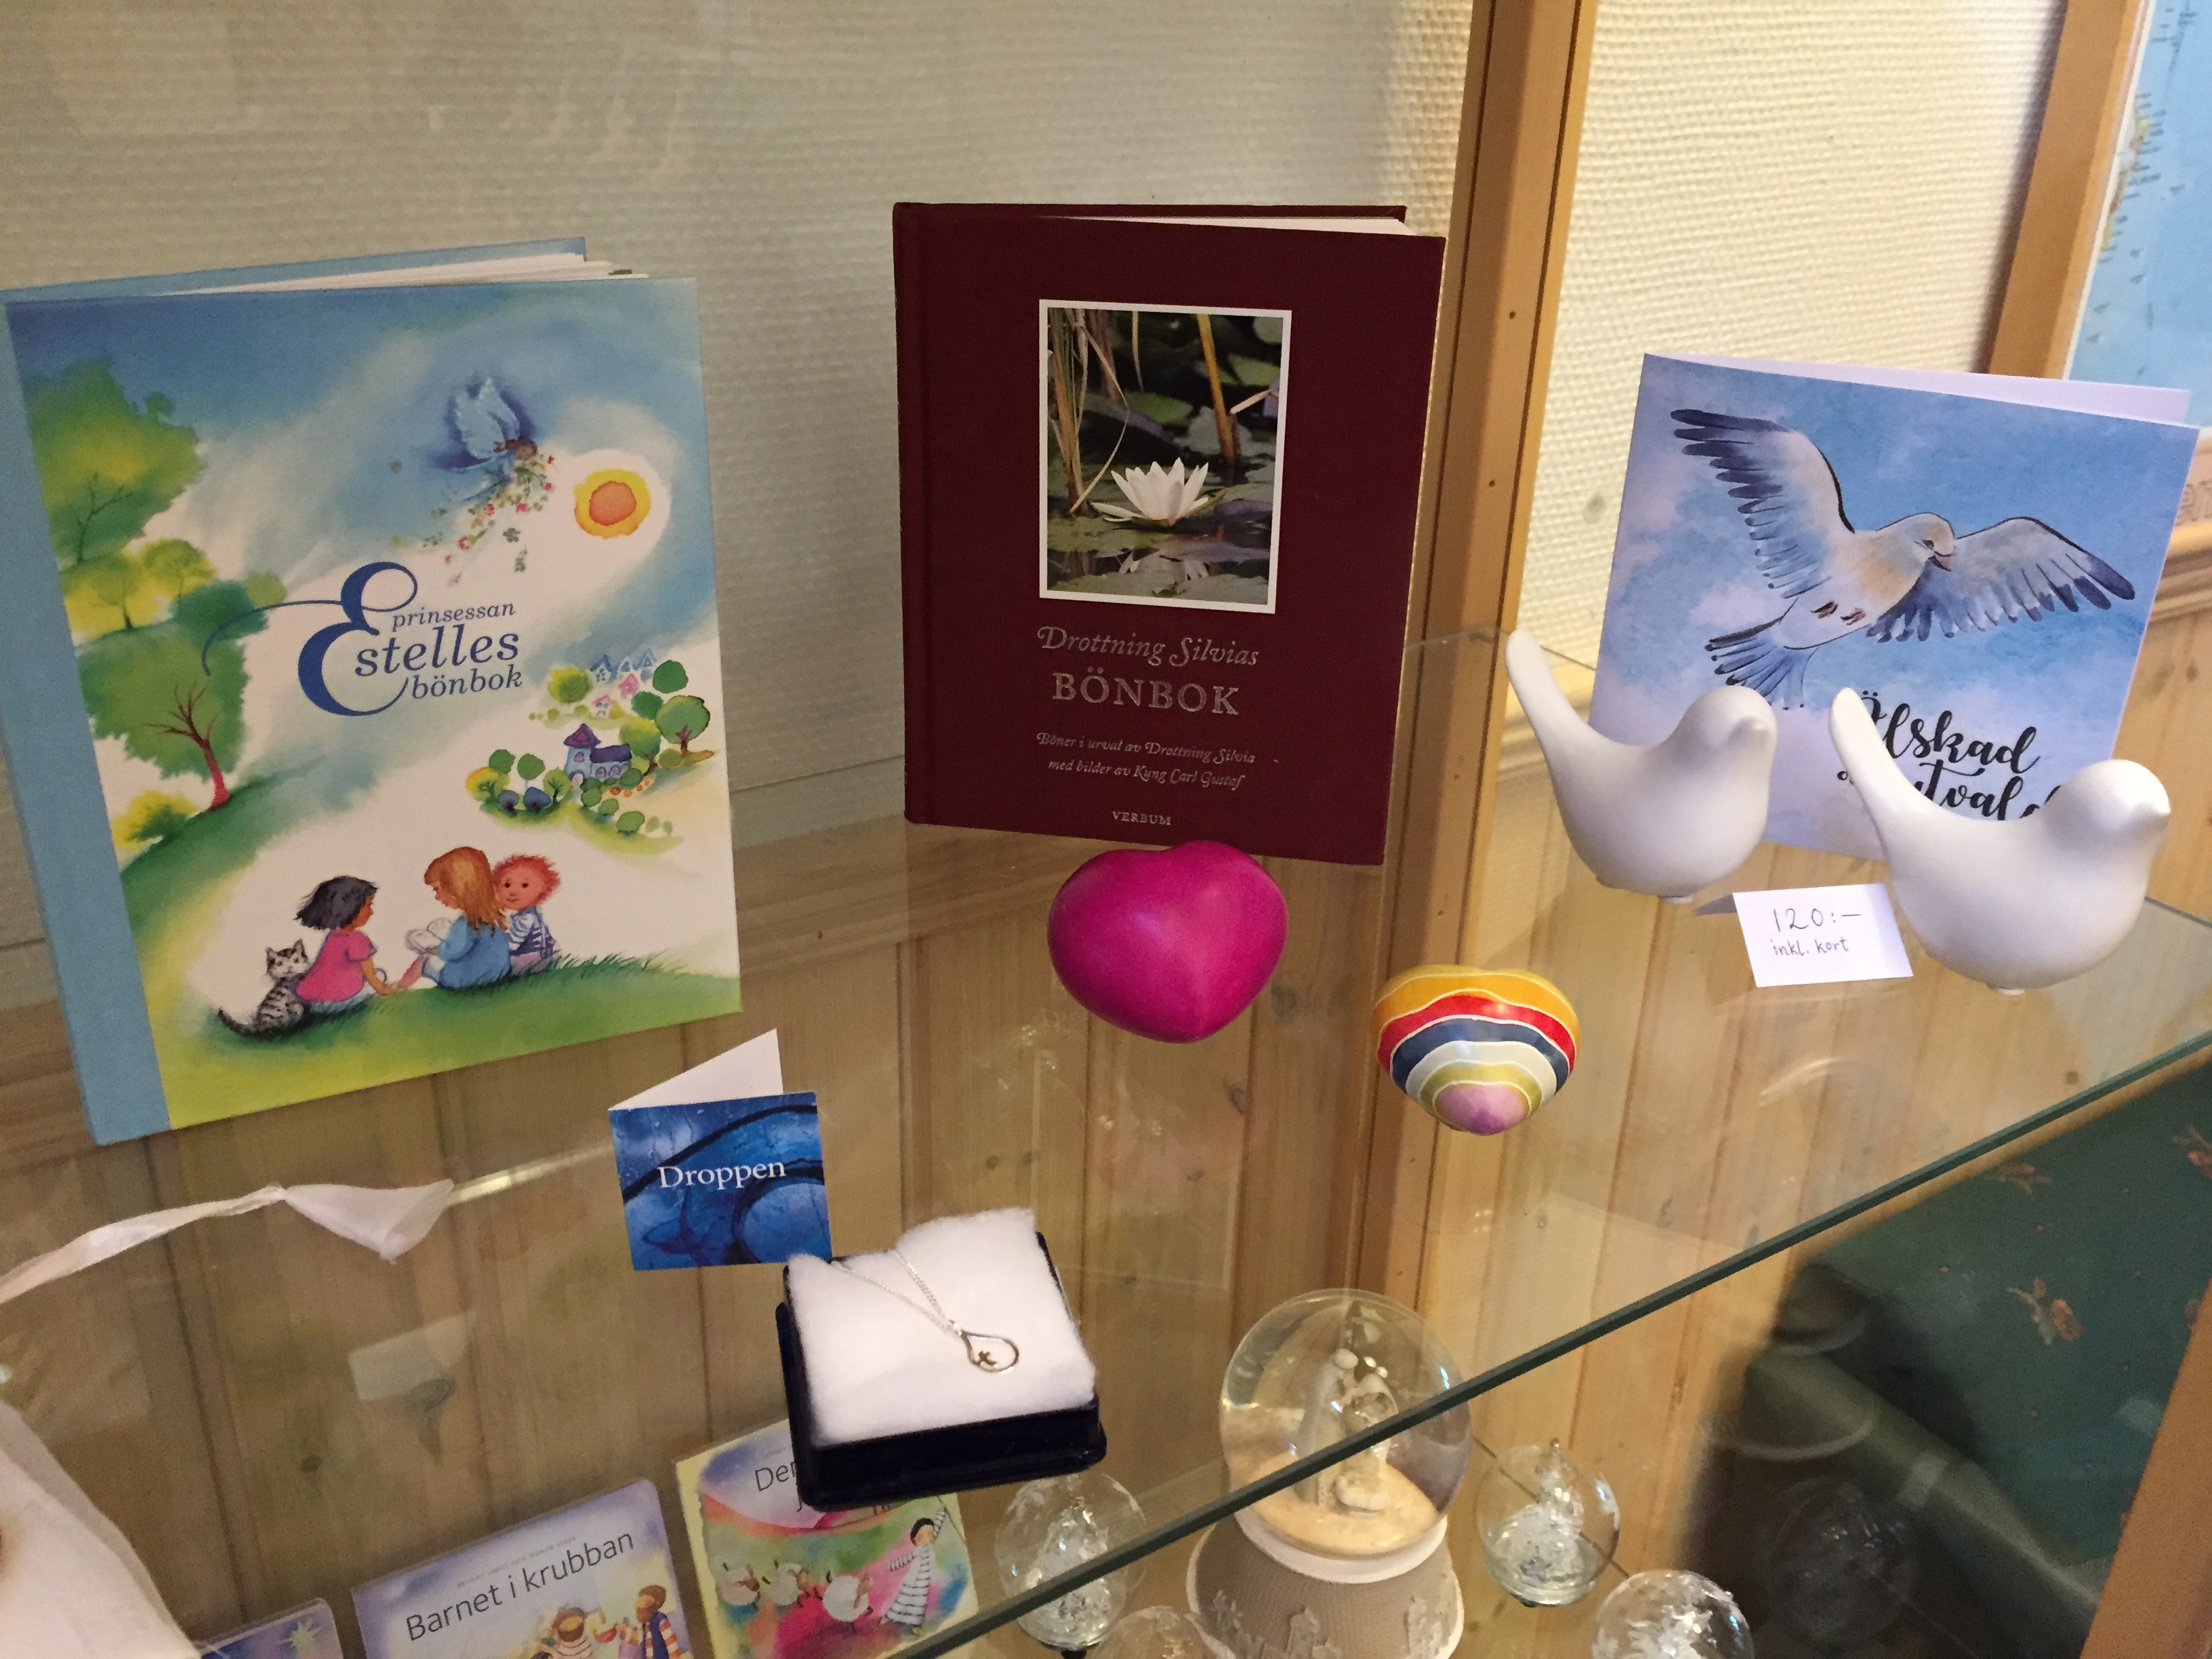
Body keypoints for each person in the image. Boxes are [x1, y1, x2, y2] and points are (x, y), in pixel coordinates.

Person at [290, 876, 404, 1017]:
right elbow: (374, 979)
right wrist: (387, 990)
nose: (372, 912)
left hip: (315, 1004)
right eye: (368, 905)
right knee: (380, 974)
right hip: (338, 1004)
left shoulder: (333, 936)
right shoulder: (357, 939)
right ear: (351, 908)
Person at [398, 847, 511, 989]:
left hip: (467, 978)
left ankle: (398, 988)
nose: (437, 896)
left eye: (437, 889)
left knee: (423, 962)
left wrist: (434, 949)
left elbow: (453, 952)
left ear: (456, 887)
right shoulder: (489, 917)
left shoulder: (467, 922)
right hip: (497, 974)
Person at [494, 852, 561, 972]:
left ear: (542, 890)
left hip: (530, 959)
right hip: (540, 958)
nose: (513, 892)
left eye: (524, 885)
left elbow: (511, 945)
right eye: (507, 885)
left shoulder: (527, 918)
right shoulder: (532, 913)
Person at [883, 1511, 946, 1631]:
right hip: (912, 1581)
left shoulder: (930, 1545)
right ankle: (888, 1617)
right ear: (916, 1537)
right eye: (922, 1536)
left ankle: (916, 1625)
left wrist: (942, 1513)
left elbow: (937, 1526)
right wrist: (892, 1566)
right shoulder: (918, 1550)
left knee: (919, 1603)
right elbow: (905, 1560)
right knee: (903, 1599)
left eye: (929, 1534)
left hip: (923, 1582)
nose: (926, 1538)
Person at [594, 1586, 684, 1659]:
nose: (637, 1605)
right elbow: (638, 1641)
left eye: (642, 1601)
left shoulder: (660, 1621)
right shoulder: (646, 1625)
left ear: (653, 1603)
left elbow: (672, 1646)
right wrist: (624, 1631)